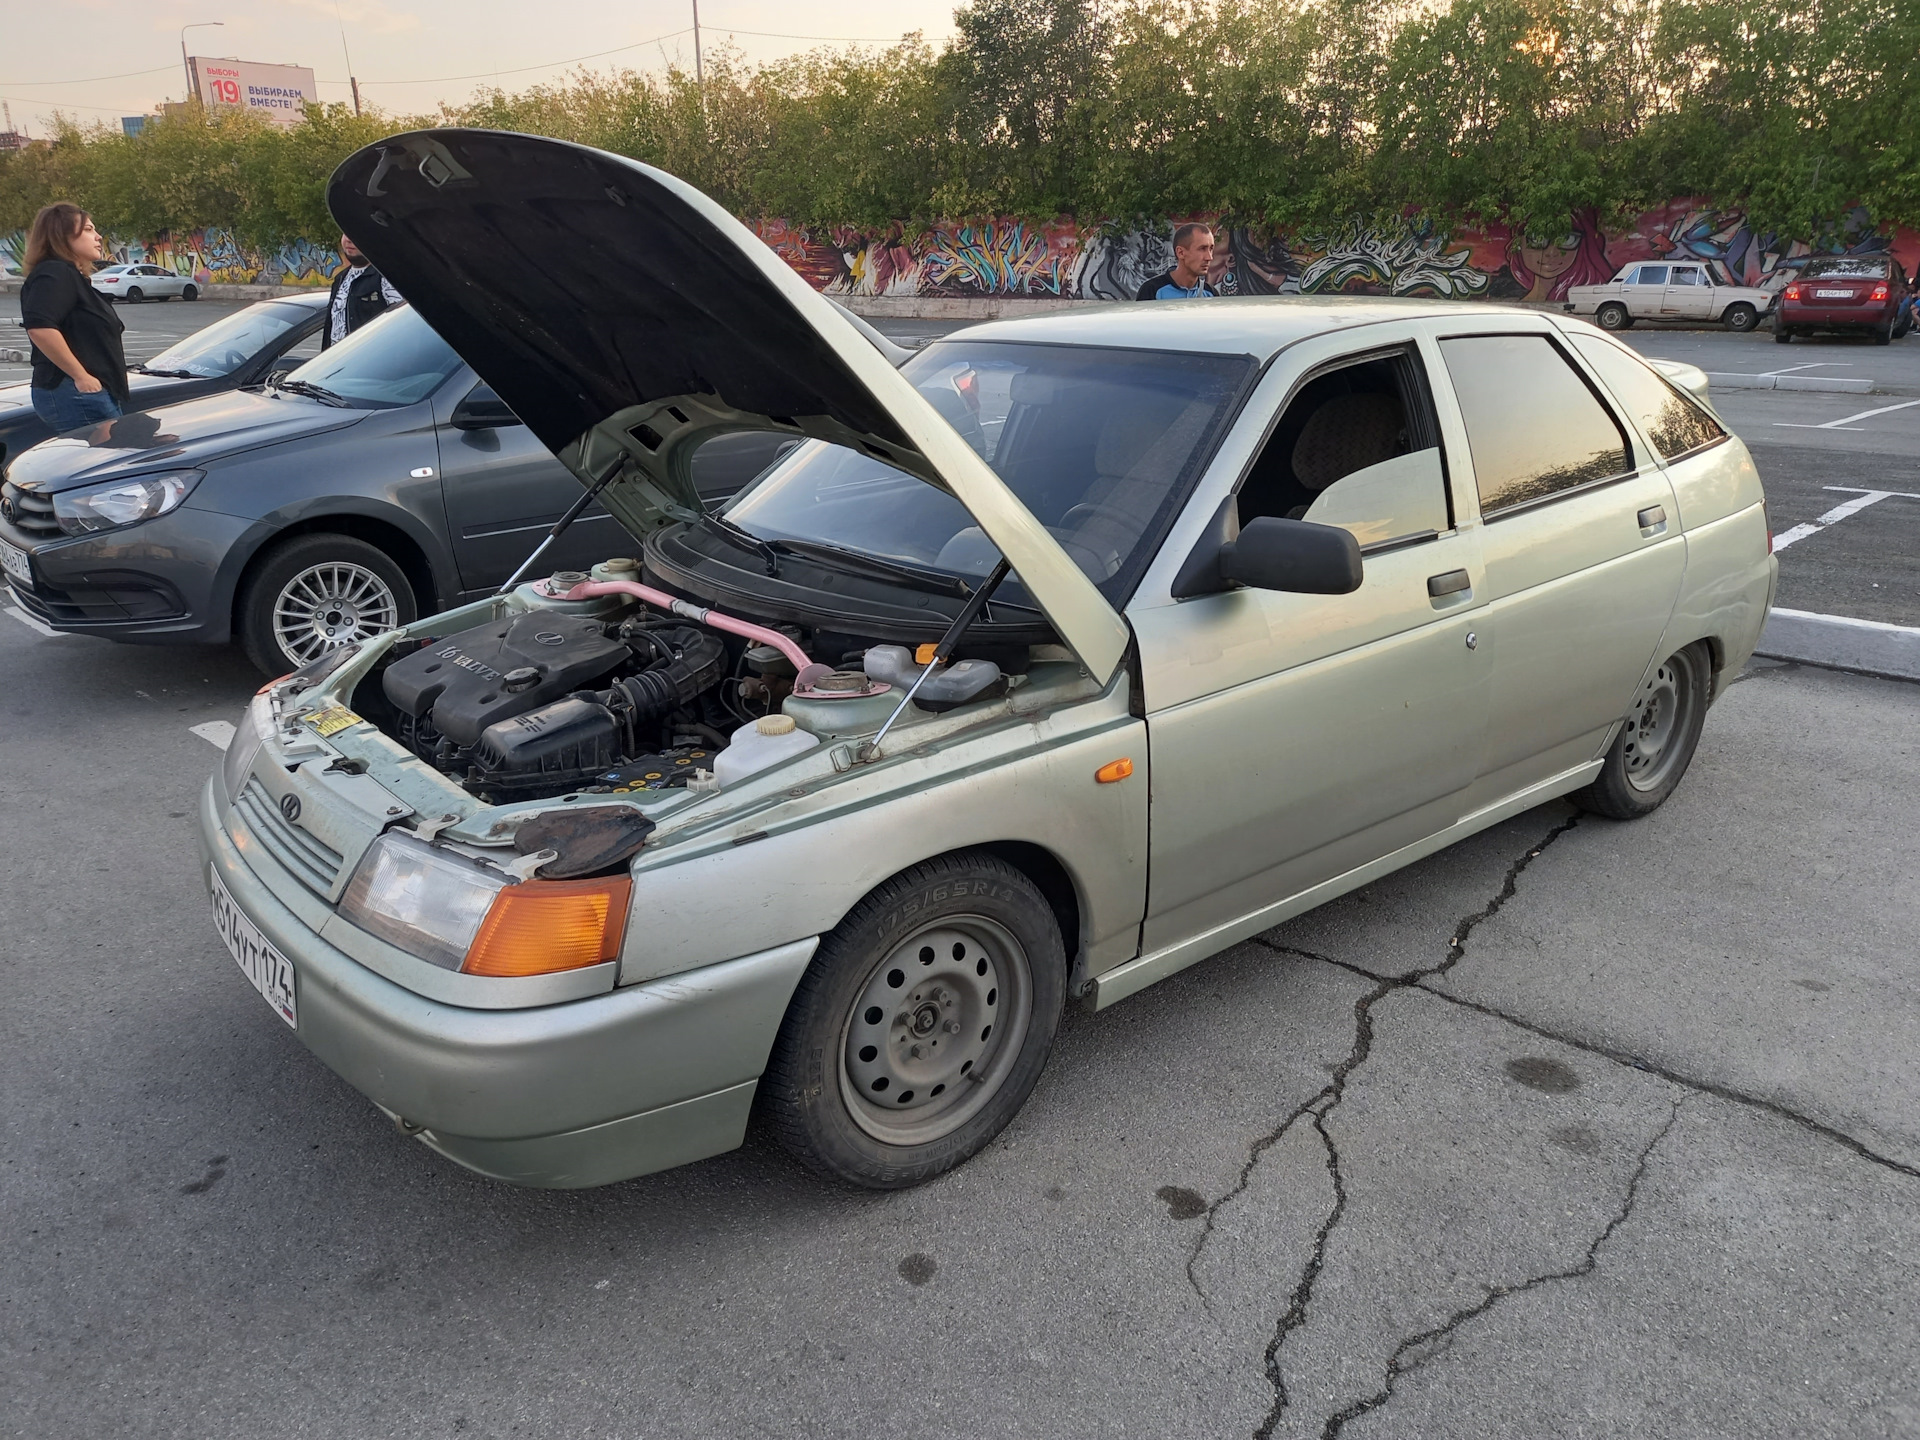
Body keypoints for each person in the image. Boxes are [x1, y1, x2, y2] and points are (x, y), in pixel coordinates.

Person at [20, 203, 129, 431]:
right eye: (88, 229)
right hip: (75, 391)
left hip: (88, 391)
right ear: (62, 235)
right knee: (105, 454)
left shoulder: (71, 276)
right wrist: (81, 377)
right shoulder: (55, 272)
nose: (98, 237)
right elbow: (40, 327)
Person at [323, 232, 404, 348]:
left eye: (355, 234)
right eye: (346, 233)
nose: (349, 240)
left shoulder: (386, 277)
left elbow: (402, 325)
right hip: (340, 357)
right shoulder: (340, 278)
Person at [1136, 224, 1220, 301]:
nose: (1209, 257)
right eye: (1202, 249)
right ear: (1180, 253)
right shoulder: (1152, 290)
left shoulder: (1211, 293)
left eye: (1211, 249)